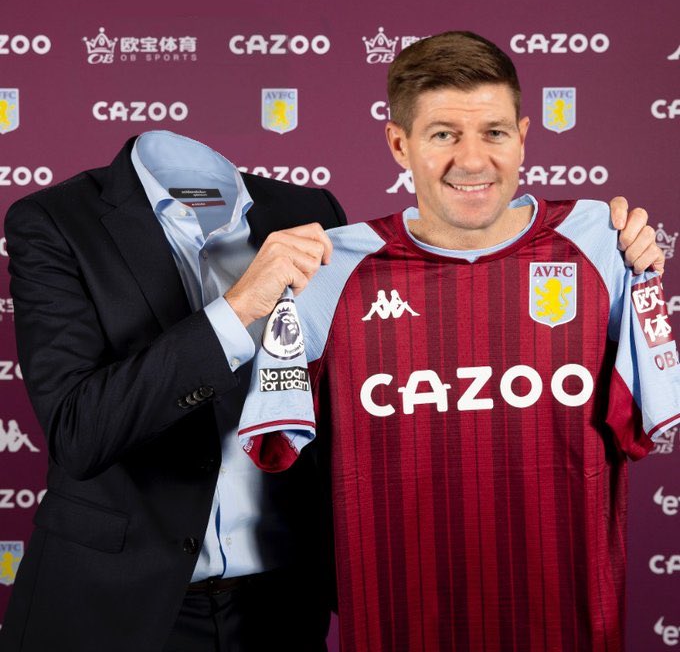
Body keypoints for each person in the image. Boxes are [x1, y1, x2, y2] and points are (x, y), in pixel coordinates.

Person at [235, 32, 680, 652]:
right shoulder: (327, 273)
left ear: (523, 136)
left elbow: (647, 424)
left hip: (567, 626)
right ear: (399, 144)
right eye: (444, 134)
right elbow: (275, 446)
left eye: (494, 132)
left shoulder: (605, 246)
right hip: (399, 626)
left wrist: (642, 276)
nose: (472, 161)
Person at [0, 131, 342, 652]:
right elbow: (78, 432)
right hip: (114, 607)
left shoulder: (309, 210)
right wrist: (237, 309)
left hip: (281, 608)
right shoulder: (55, 221)